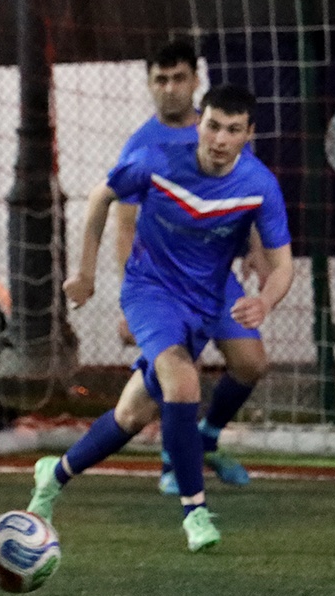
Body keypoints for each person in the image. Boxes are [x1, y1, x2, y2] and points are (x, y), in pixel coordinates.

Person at [27, 84, 293, 552]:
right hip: (151, 291)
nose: (220, 139)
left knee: (131, 415)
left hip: (206, 297)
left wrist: (266, 301)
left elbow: (284, 263)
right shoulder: (156, 161)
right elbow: (101, 197)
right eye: (212, 126)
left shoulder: (259, 185)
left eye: (233, 130)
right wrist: (85, 273)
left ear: (249, 134)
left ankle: (57, 473)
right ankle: (195, 511)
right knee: (182, 381)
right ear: (199, 124)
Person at [113, 40, 270, 495]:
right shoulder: (141, 146)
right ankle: (172, 463)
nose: (170, 88)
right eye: (160, 80)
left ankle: (207, 439)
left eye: (178, 78)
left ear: (196, 80)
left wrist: (258, 248)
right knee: (180, 371)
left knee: (251, 363)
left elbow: (249, 194)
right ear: (149, 85)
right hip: (163, 283)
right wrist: (128, 299)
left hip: (215, 278)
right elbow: (125, 226)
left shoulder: (220, 129)